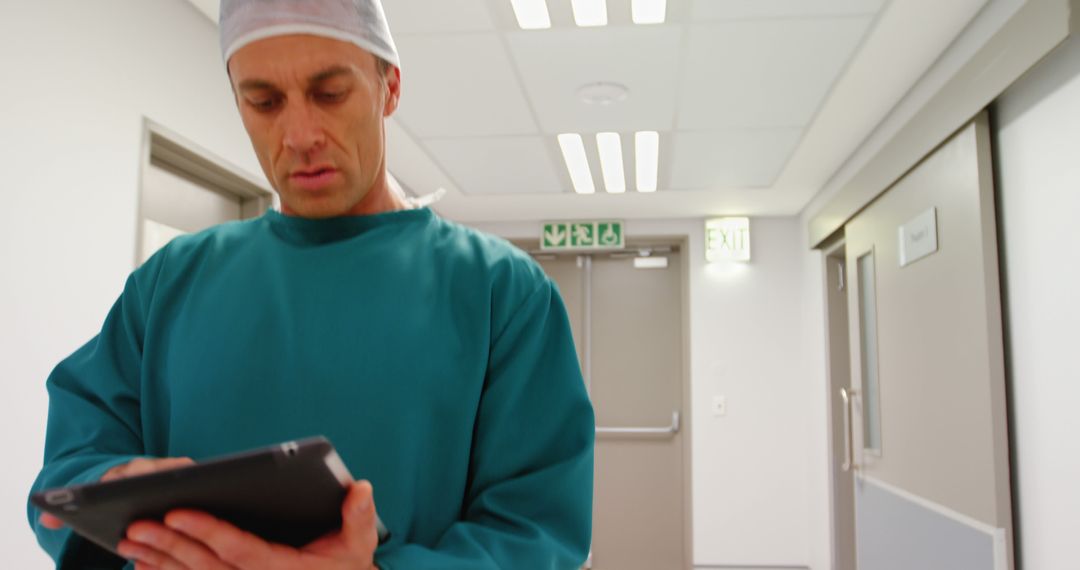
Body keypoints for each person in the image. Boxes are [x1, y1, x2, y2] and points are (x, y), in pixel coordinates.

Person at [26, 0, 595, 568]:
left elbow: (535, 534)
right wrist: (118, 492)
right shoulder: (169, 284)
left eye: (329, 93)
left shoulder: (502, 293)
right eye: (264, 101)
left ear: (389, 88)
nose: (299, 135)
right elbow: (73, 467)